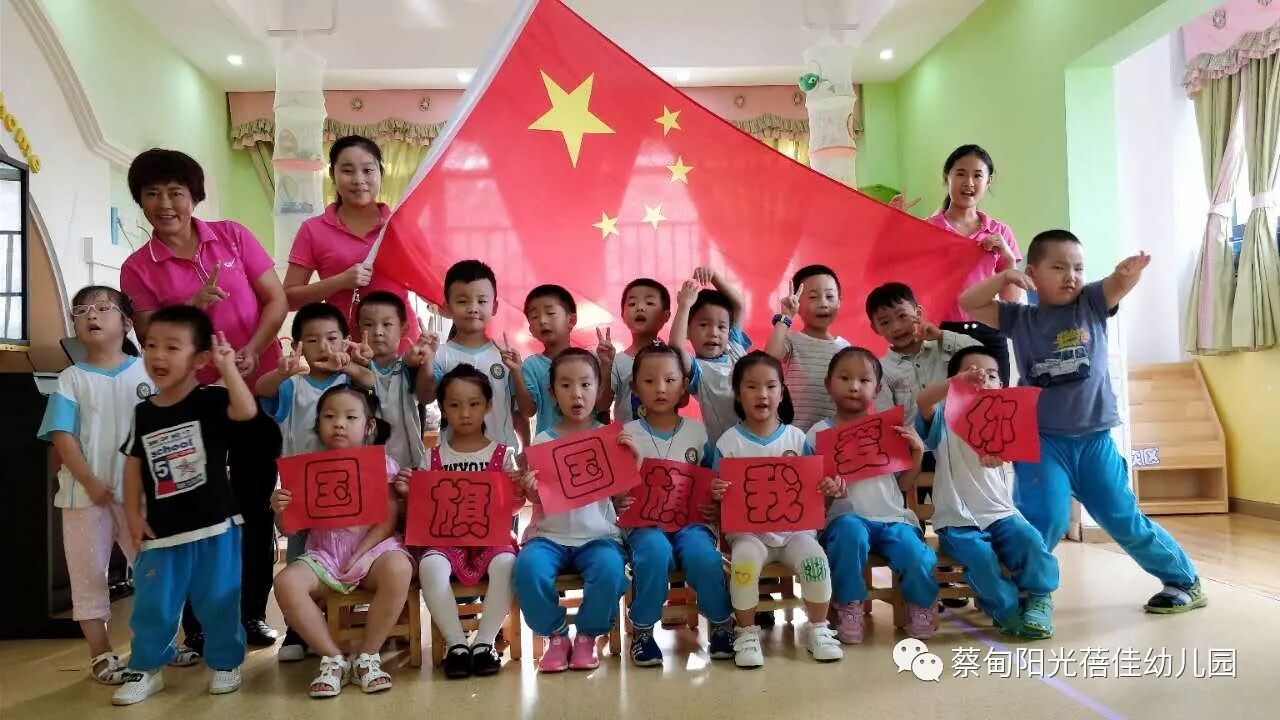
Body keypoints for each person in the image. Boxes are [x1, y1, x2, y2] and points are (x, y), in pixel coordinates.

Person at [960, 230, 1206, 613]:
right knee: (1044, 519)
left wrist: (1126, 274)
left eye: (1078, 267)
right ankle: (1021, 587)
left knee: (1122, 519)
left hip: (1095, 440)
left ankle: (1184, 580)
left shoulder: (1090, 302)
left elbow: (1116, 285)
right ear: (1033, 274)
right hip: (1042, 441)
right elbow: (968, 301)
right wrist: (1005, 276)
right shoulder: (1020, 318)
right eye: (1059, 267)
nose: (1070, 276)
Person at [119, 147, 287, 649]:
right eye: (152, 193)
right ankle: (198, 624)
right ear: (141, 201)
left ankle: (251, 614)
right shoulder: (137, 268)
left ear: (194, 196)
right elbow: (151, 336)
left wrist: (251, 351)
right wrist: (192, 305)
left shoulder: (232, 236)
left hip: (255, 392)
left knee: (254, 507)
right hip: (190, 406)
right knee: (196, 509)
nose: (165, 203)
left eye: (176, 192)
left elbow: (276, 299)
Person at [112, 306, 256, 705]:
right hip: (161, 533)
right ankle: (146, 668)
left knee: (219, 599)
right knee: (153, 605)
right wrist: (133, 515)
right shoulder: (143, 412)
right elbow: (133, 465)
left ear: (200, 358)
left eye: (172, 347)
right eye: (151, 345)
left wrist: (228, 369)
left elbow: (246, 411)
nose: (158, 355)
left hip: (216, 527)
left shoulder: (211, 401)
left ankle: (226, 663)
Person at [37, 287, 154, 686]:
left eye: (103, 308)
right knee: (87, 573)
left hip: (140, 496)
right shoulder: (70, 379)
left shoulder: (148, 372)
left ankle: (153, 645)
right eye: (82, 310)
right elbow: (61, 435)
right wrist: (89, 480)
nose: (91, 315)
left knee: (153, 570)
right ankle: (100, 652)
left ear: (126, 322)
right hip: (83, 495)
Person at [270, 386, 414, 698]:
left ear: (369, 426)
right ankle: (333, 658)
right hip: (324, 555)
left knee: (399, 568)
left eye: (350, 417)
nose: (339, 424)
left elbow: (388, 521)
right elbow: (290, 529)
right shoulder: (306, 469)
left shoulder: (382, 465)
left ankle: (368, 656)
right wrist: (279, 509)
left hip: (373, 552)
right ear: (318, 425)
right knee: (285, 583)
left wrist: (360, 555)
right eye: (329, 417)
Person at [256, 302, 376, 660]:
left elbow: (374, 382)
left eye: (332, 338)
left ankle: (351, 620)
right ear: (299, 346)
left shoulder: (350, 382)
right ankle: (297, 632)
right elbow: (262, 389)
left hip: (349, 485)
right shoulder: (292, 387)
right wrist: (281, 373)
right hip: (303, 487)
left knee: (349, 550)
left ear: (346, 341)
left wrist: (350, 364)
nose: (323, 346)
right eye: (312, 340)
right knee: (299, 554)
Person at [710, 351, 843, 669]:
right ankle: (746, 632)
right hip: (748, 535)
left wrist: (828, 488)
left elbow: (816, 493)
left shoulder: (798, 439)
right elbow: (716, 496)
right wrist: (716, 491)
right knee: (743, 566)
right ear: (737, 393)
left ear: (782, 392)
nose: (762, 394)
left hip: (796, 533)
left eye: (771, 386)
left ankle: (818, 628)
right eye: (752, 386)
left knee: (816, 562)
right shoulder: (727, 443)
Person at [915, 346, 1058, 638]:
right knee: (980, 557)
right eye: (971, 373)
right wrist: (957, 382)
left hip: (1001, 515)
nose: (981, 379)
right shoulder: (944, 418)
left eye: (991, 375)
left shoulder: (1006, 420)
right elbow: (923, 401)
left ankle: (1039, 597)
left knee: (1030, 540)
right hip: (957, 522)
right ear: (954, 381)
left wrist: (1003, 456)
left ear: (1001, 385)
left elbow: (1020, 456)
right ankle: (1006, 610)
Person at [805, 347, 937, 643]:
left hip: (893, 518)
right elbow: (813, 499)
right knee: (850, 534)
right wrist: (828, 491)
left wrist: (917, 453)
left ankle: (921, 605)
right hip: (844, 520)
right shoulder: (816, 434)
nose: (854, 386)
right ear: (828, 384)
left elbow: (903, 485)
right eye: (845, 378)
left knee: (915, 551)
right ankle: (848, 606)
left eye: (864, 380)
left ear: (877, 390)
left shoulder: (890, 430)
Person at [615, 343, 734, 666]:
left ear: (684, 386)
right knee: (654, 553)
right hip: (644, 525)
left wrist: (715, 505)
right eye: (649, 381)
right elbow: (616, 488)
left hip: (692, 523)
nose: (660, 388)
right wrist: (619, 499)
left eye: (670, 380)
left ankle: (721, 624)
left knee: (704, 556)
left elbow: (711, 481)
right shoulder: (626, 435)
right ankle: (643, 631)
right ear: (634, 387)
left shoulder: (699, 433)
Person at [511, 349, 629, 673]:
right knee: (528, 569)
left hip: (599, 537)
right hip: (548, 536)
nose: (576, 394)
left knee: (610, 570)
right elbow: (538, 498)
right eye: (565, 385)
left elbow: (621, 497)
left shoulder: (610, 438)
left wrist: (631, 462)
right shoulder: (543, 440)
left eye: (585, 385)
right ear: (552, 393)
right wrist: (530, 488)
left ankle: (588, 635)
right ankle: (556, 635)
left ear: (598, 389)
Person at [411, 365, 523, 679]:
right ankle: (457, 645)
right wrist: (411, 492)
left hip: (493, 541)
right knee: (430, 565)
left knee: (507, 563)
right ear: (443, 408)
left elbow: (513, 508)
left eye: (474, 404)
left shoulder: (503, 455)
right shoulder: (432, 457)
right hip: (446, 542)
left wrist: (518, 489)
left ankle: (485, 643)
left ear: (487, 406)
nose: (464, 413)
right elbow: (424, 510)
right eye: (455, 405)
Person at [283, 134, 421, 347]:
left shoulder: (400, 225)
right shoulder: (313, 230)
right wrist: (340, 281)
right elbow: (289, 299)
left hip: (402, 348)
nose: (358, 180)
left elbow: (432, 280)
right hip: (343, 351)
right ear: (332, 174)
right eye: (347, 171)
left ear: (381, 173)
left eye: (367, 170)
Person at [926, 144, 1023, 386]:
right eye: (960, 174)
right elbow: (894, 271)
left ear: (989, 181)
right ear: (946, 177)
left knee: (994, 403)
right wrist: (892, 223)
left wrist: (1008, 258)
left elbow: (1010, 301)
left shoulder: (1000, 232)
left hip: (989, 333)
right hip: (942, 332)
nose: (969, 182)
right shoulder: (927, 230)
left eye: (977, 175)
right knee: (947, 404)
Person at [419, 260, 521, 451]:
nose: (473, 308)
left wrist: (526, 448)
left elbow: (519, 410)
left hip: (502, 456)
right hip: (454, 459)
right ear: (447, 307)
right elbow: (426, 397)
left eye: (481, 301)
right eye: (462, 301)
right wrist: (427, 361)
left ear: (494, 307)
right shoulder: (439, 354)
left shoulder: (506, 355)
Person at [865, 282, 979, 429]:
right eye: (885, 322)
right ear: (875, 328)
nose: (896, 327)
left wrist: (941, 336)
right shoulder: (881, 370)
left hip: (958, 435)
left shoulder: (944, 345)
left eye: (902, 316)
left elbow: (981, 354)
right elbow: (886, 419)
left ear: (918, 313)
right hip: (918, 442)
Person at [668, 266, 751, 444]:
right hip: (728, 450)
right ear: (687, 331)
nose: (713, 333)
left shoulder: (735, 346)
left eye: (721, 327)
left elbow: (739, 305)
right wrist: (684, 306)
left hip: (761, 441)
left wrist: (714, 276)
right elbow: (676, 347)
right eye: (704, 325)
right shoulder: (697, 370)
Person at [765, 264, 850, 432]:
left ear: (839, 302)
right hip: (796, 434)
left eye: (830, 296)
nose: (823, 303)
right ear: (797, 303)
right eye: (813, 297)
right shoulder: (790, 340)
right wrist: (786, 316)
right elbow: (771, 356)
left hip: (832, 435)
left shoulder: (846, 349)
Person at [356, 290, 434, 470]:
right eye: (368, 324)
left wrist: (428, 358)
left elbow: (427, 397)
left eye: (387, 324)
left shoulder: (410, 365)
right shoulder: (356, 371)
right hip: (368, 468)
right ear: (359, 328)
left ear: (403, 329)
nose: (378, 332)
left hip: (409, 466)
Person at [597, 278, 671, 423]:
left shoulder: (672, 357)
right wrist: (606, 366)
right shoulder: (616, 361)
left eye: (649, 303)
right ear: (623, 315)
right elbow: (602, 405)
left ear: (665, 315)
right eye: (632, 304)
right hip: (627, 435)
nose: (640, 308)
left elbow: (682, 400)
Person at [513, 284, 577, 435]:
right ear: (531, 329)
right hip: (549, 444)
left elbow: (602, 407)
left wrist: (606, 366)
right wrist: (516, 373)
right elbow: (528, 411)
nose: (542, 320)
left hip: (589, 442)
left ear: (571, 320)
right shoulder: (531, 365)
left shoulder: (590, 360)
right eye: (534, 317)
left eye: (550, 313)